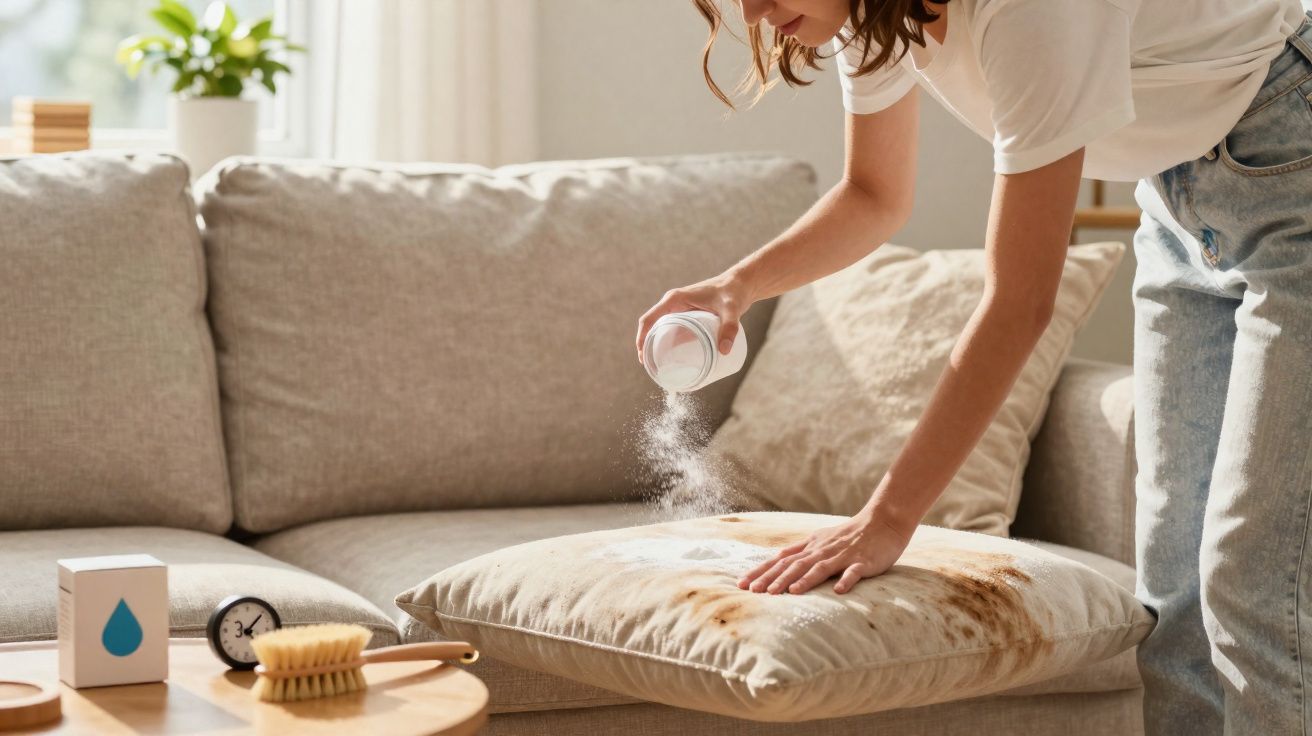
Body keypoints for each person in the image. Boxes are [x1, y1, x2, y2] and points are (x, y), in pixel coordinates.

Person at [633, 0, 1312, 732]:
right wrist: (737, 286)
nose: (753, 12)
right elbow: (874, 195)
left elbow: (1019, 304)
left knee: (1250, 584)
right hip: (1176, 208)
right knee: (1174, 592)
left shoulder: (1027, 12)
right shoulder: (875, 14)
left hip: (1290, 163)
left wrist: (887, 519)